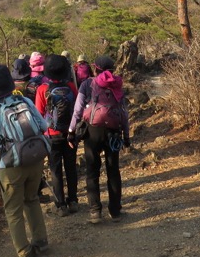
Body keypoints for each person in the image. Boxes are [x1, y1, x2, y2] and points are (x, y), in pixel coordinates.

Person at [0, 64, 50, 257]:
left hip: (11, 166)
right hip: (35, 158)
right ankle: (42, 242)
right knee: (32, 199)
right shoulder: (25, 101)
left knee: (13, 210)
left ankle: (25, 252)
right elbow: (44, 126)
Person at [68, 55, 131, 224]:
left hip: (93, 131)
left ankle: (95, 211)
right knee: (113, 171)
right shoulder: (118, 84)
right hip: (114, 132)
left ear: (95, 69)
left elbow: (78, 108)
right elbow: (124, 112)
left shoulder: (87, 84)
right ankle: (115, 211)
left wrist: (71, 130)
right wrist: (127, 135)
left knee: (92, 171)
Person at [34, 54, 79, 216]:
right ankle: (73, 201)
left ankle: (60, 205)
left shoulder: (42, 90)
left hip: (51, 135)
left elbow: (39, 114)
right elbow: (76, 110)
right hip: (70, 134)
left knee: (55, 170)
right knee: (71, 167)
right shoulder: (71, 87)